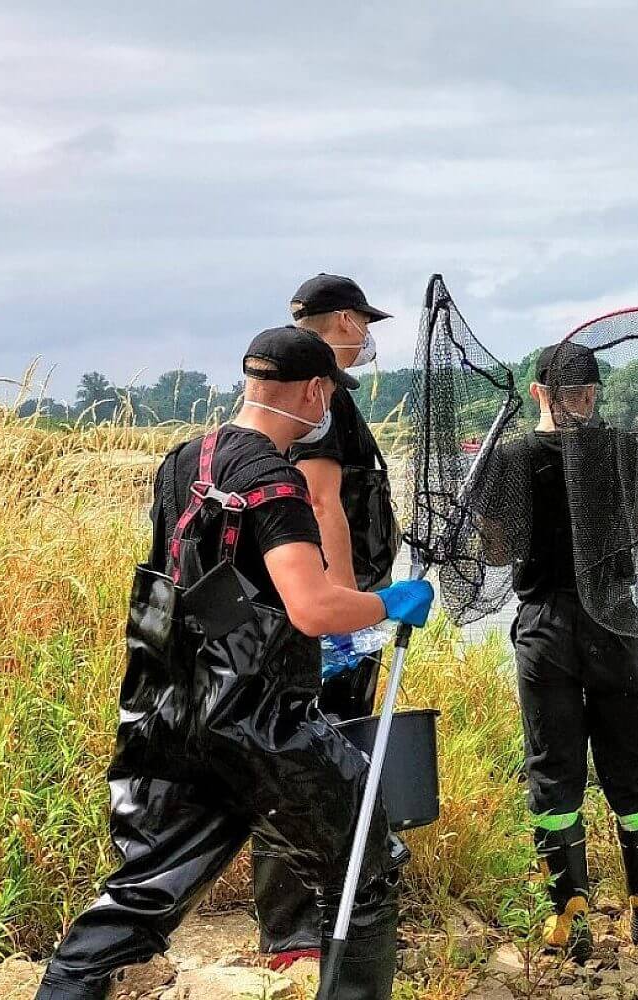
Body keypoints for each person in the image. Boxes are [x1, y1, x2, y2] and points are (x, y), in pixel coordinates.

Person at [34, 328, 436, 1000]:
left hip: (169, 720)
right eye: (330, 394)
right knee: (362, 872)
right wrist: (388, 602)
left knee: (140, 897)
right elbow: (312, 608)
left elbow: (187, 587)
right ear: (316, 392)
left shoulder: (181, 463)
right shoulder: (274, 481)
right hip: (261, 727)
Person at [480, 343, 638, 960]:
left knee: (552, 766)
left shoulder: (509, 458)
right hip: (613, 621)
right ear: (590, 393)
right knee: (632, 759)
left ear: (537, 392)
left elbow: (495, 552)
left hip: (544, 626)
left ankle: (568, 917)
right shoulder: (620, 448)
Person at [254, 273, 402, 969]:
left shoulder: (314, 394)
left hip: (329, 601)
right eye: (363, 322)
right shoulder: (320, 399)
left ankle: (328, 907)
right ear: (344, 320)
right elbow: (319, 500)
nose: (367, 335)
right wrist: (344, 609)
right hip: (329, 607)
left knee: (329, 750)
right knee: (310, 751)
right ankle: (293, 930)